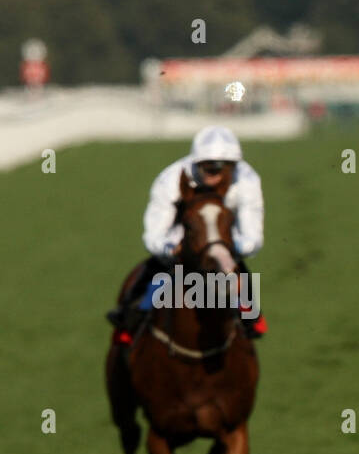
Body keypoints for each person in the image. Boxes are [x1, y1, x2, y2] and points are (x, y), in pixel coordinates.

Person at [108, 125, 266, 339]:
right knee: (152, 280)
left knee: (241, 287)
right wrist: (170, 248)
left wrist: (227, 248)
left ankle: (250, 318)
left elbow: (252, 235)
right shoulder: (170, 180)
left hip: (225, 244)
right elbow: (154, 233)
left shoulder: (247, 181)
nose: (218, 176)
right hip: (179, 242)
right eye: (210, 168)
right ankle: (129, 320)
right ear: (197, 164)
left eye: (225, 168)